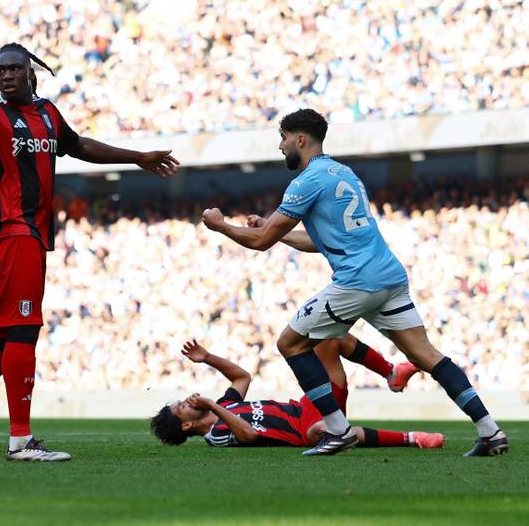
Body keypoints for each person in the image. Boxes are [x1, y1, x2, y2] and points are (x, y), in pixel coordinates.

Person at [0, 42, 180, 462]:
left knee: (7, 340)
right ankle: (20, 441)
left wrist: (137, 158)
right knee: (23, 330)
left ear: (30, 72)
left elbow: (78, 145)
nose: (5, 76)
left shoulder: (47, 113)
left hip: (35, 234)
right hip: (8, 231)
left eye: (13, 69)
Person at [200, 109, 508, 457]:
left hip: (357, 280)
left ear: (300, 139)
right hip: (389, 275)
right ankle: (490, 432)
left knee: (290, 343)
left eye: (283, 138)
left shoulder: (305, 181)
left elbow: (260, 241)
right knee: (428, 356)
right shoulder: (343, 173)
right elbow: (322, 239)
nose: (281, 145)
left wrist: (221, 225)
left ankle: (339, 431)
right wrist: (277, 233)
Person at [151, 336, 444, 450]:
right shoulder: (216, 435)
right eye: (183, 407)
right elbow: (248, 435)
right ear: (187, 425)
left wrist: (209, 358)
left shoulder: (226, 405)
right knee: (322, 429)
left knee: (331, 339)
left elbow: (242, 376)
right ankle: (412, 438)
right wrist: (214, 407)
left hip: (309, 403)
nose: (189, 399)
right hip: (304, 430)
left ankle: (391, 373)